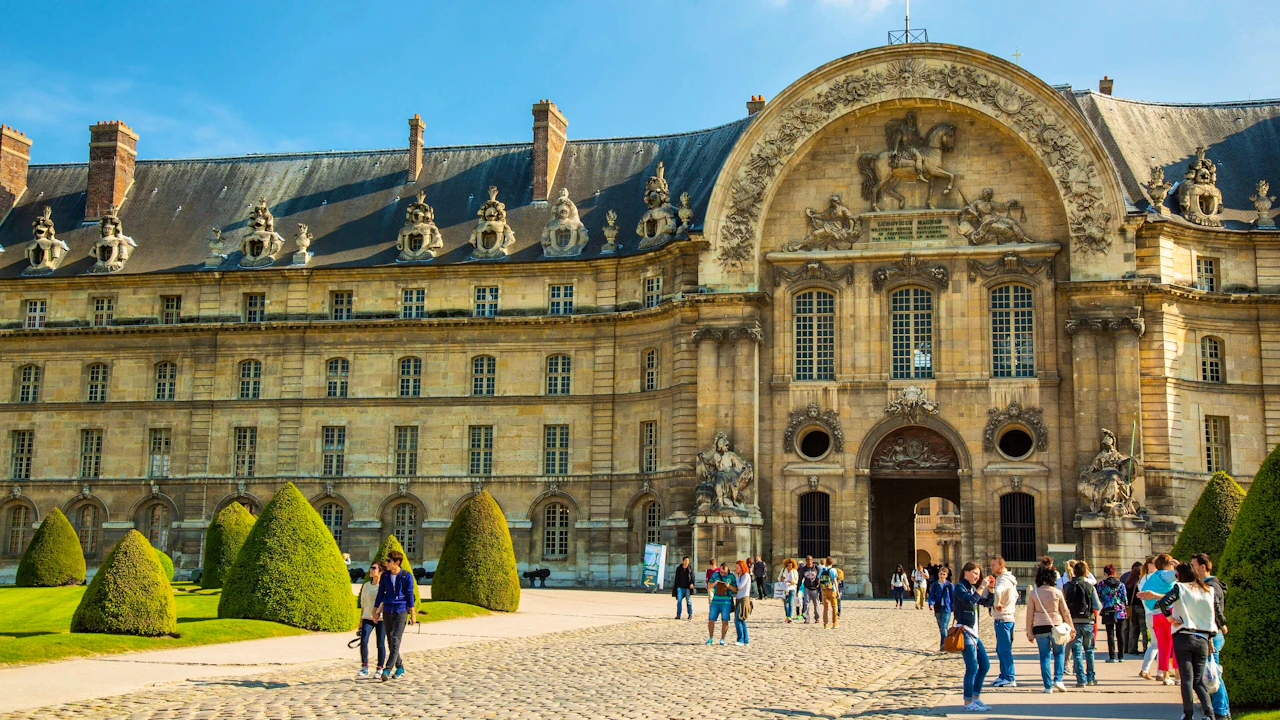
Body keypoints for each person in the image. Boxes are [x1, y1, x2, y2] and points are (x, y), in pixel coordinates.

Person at [1154, 562, 1219, 720]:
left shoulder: (1180, 588)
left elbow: (1163, 603)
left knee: (1187, 680)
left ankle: (1188, 714)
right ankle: (1209, 713)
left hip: (1183, 635)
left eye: (1176, 575)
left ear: (1180, 576)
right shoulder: (1208, 590)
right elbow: (1213, 613)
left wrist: (1170, 619)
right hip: (1203, 638)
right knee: (1198, 681)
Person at [1191, 553, 1230, 720]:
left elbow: (1213, 613)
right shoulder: (1210, 584)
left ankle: (1220, 711)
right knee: (1212, 674)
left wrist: (1211, 637)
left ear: (1203, 567)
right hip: (1211, 634)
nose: (1192, 569)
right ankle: (1222, 711)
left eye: (1193, 566)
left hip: (1211, 635)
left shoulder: (1211, 587)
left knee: (1213, 675)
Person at [1026, 563, 1073, 693]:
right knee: (1059, 653)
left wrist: (1029, 632)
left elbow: (1029, 614)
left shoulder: (1034, 593)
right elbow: (1065, 612)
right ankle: (1058, 679)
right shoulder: (1057, 592)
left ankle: (1048, 686)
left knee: (1044, 656)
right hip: (1056, 626)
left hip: (1040, 627)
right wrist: (1071, 628)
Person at [954, 562, 994, 712]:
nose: (977, 577)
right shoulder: (960, 587)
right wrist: (982, 587)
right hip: (965, 632)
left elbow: (988, 602)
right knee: (971, 667)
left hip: (974, 634)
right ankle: (967, 701)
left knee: (984, 665)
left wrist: (990, 589)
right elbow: (970, 602)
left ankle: (976, 697)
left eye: (978, 574)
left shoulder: (971, 588)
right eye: (974, 573)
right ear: (966, 572)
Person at [373, 550, 415, 681]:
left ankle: (387, 668)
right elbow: (381, 593)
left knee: (395, 639)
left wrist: (413, 613)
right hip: (387, 610)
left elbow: (409, 595)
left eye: (389, 561)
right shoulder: (385, 576)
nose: (386, 563)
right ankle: (400, 666)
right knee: (390, 640)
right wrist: (375, 611)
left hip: (401, 611)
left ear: (397, 562)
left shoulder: (406, 576)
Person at [1137, 554, 1178, 685]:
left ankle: (1165, 675)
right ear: (1167, 564)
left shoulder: (1152, 577)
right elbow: (1181, 574)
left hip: (1155, 614)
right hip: (1168, 612)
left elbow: (1143, 593)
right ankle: (1178, 676)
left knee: (1163, 645)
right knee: (1175, 644)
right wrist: (1177, 564)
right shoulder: (1165, 574)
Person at [1064, 560, 1101, 687]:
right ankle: (1090, 677)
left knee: (1077, 652)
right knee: (1089, 650)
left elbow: (1063, 606)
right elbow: (1097, 605)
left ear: (1073, 572)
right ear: (1086, 573)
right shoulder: (1090, 587)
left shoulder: (1067, 586)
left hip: (1073, 623)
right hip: (1088, 622)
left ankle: (1081, 679)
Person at [989, 555, 1018, 688]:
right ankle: (1003, 674)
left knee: (1004, 649)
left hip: (1003, 618)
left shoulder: (1003, 580)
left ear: (1001, 566)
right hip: (1006, 618)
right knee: (1001, 649)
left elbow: (999, 590)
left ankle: (1009, 677)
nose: (991, 567)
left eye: (993, 565)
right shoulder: (1008, 579)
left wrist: (997, 603)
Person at [356, 562, 386, 679]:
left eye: (374, 568)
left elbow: (384, 602)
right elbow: (363, 603)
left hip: (381, 618)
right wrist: (361, 620)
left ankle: (380, 668)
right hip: (367, 617)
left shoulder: (383, 586)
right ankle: (364, 666)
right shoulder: (367, 585)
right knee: (364, 640)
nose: (371, 570)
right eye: (371, 568)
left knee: (380, 643)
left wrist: (378, 613)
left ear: (380, 572)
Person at [1098, 564, 1129, 664]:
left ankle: (1112, 656)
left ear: (1105, 574)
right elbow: (1125, 599)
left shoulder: (1102, 584)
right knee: (1120, 634)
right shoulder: (1121, 584)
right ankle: (1121, 656)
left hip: (1108, 611)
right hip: (1120, 611)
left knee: (1110, 634)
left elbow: (1100, 597)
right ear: (1114, 573)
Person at [706, 561, 736, 645]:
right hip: (715, 601)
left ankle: (722, 639)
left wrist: (729, 586)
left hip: (726, 602)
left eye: (724, 572)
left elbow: (735, 589)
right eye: (721, 572)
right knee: (711, 620)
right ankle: (711, 638)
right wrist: (715, 583)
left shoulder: (732, 576)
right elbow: (709, 586)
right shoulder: (715, 574)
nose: (723, 574)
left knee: (725, 621)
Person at [927, 566, 954, 652]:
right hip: (938, 608)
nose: (942, 576)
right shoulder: (935, 585)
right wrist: (931, 604)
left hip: (946, 608)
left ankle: (944, 645)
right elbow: (931, 596)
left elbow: (953, 598)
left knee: (944, 627)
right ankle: (944, 644)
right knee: (941, 628)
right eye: (940, 574)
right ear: (938, 574)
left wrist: (954, 608)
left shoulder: (950, 585)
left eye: (944, 574)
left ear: (946, 575)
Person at [1121, 560, 1145, 657]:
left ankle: (1130, 648)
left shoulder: (1126, 579)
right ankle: (1145, 647)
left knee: (1131, 628)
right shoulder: (1141, 581)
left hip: (1130, 607)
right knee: (1143, 629)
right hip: (1141, 607)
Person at [733, 559, 753, 645]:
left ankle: (740, 639)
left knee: (738, 619)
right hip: (738, 599)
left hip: (744, 599)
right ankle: (745, 640)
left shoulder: (746, 575)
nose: (736, 569)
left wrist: (736, 578)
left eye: (737, 568)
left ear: (742, 568)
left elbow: (740, 586)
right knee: (742, 620)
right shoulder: (740, 576)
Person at [799, 556, 821, 624]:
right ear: (806, 560)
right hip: (807, 588)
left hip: (815, 588)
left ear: (812, 560)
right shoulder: (803, 569)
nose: (809, 561)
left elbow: (820, 577)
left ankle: (817, 618)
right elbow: (800, 579)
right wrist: (798, 589)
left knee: (816, 604)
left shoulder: (816, 568)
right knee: (806, 603)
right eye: (808, 559)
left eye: (810, 559)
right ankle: (807, 618)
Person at [820, 557, 839, 629]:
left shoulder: (822, 569)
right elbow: (835, 581)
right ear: (832, 563)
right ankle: (835, 623)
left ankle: (826, 624)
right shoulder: (833, 570)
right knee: (834, 607)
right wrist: (837, 591)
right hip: (832, 590)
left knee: (825, 608)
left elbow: (819, 579)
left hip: (824, 590)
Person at [778, 558, 798, 623]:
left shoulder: (794, 571)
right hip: (785, 587)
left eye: (790, 565)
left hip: (792, 588)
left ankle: (790, 616)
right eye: (788, 565)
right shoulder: (783, 570)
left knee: (791, 603)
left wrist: (793, 582)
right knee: (785, 603)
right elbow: (778, 578)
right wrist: (781, 578)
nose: (789, 566)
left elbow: (796, 580)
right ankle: (787, 616)